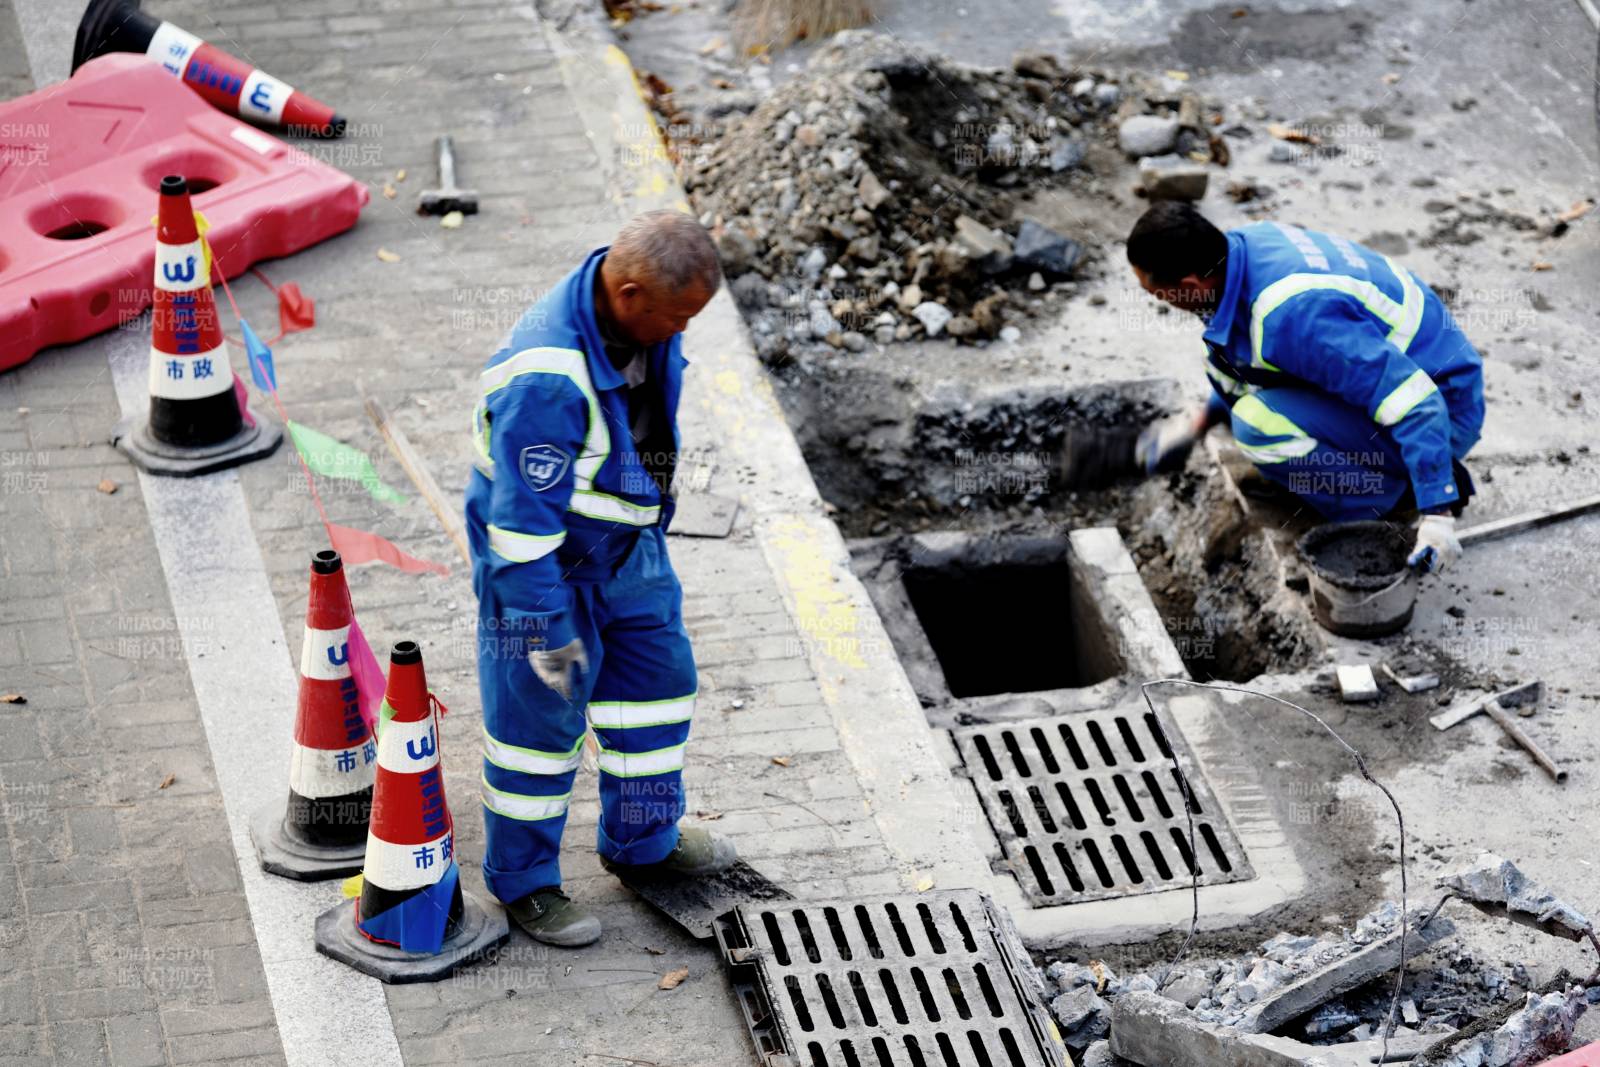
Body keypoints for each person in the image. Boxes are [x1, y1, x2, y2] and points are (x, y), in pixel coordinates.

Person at [465, 210, 735, 947]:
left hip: (627, 552)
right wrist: (547, 638)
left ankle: (643, 842)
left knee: (656, 695)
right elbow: (519, 539)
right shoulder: (548, 381)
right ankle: (526, 885)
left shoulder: (644, 317)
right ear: (625, 293)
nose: (683, 331)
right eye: (676, 316)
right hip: (545, 575)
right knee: (538, 731)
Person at [1125, 202, 1484, 573]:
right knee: (1250, 399)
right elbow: (1241, 354)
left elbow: (1416, 403)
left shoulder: (1290, 315)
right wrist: (1198, 422)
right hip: (1407, 374)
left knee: (1256, 422)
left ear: (1189, 286)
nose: (1163, 303)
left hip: (1443, 409)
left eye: (1158, 295)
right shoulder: (1243, 250)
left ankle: (1384, 508)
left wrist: (1437, 512)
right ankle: (1391, 474)